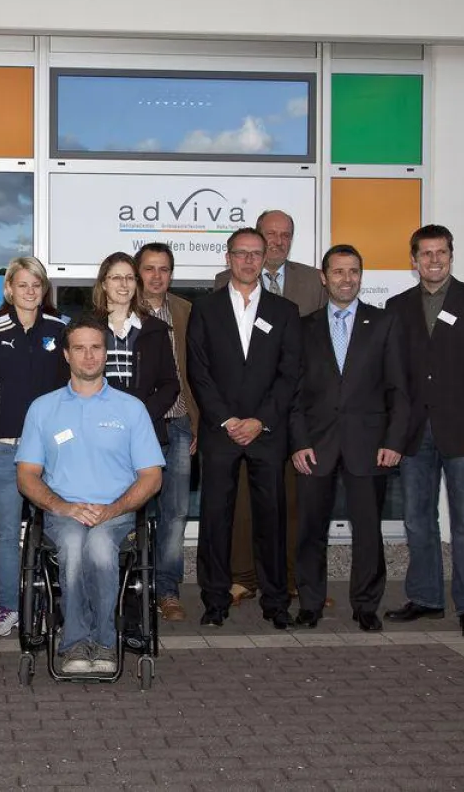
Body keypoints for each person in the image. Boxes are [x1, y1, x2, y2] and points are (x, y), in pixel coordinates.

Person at [15, 314, 164, 674]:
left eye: (96, 348)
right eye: (79, 348)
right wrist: (62, 506)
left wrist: (112, 510)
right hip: (61, 514)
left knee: (98, 546)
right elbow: (27, 475)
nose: (88, 356)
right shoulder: (43, 408)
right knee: (71, 547)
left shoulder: (131, 409)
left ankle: (105, 643)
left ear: (107, 352)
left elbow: (151, 477)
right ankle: (75, 643)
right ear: (66, 355)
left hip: (117, 516)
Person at [384, 225, 464, 639]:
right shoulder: (396, 306)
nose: (433, 260)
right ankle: (426, 598)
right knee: (418, 520)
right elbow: (395, 377)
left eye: (441, 253)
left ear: (451, 256)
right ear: (413, 260)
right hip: (414, 434)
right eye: (425, 254)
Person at [290, 245, 409, 631]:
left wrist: (393, 441)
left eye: (353, 271)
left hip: (369, 445)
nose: (346, 279)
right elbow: (291, 391)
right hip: (315, 445)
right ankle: (309, 603)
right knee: (310, 529)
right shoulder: (303, 326)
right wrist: (298, 441)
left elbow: (398, 389)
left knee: (368, 530)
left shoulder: (385, 322)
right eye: (338, 272)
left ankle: (366, 605)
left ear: (361, 275)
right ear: (324, 278)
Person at [187, 227, 300, 629]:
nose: (250, 260)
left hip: (266, 434)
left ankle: (275, 600)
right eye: (242, 253)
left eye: (257, 253)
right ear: (228, 257)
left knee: (272, 519)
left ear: (266, 256)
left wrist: (260, 420)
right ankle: (214, 600)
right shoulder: (206, 308)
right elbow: (198, 371)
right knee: (216, 520)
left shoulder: (285, 311)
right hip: (222, 432)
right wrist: (228, 419)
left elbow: (289, 374)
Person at [215, 210, 326, 607]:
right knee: (245, 501)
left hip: (296, 408)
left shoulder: (314, 280)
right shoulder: (222, 285)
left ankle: (294, 579)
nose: (278, 241)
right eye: (271, 235)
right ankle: (244, 577)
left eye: (285, 235)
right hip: (246, 415)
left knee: (293, 499)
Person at [0, 256, 69, 637]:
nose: (30, 292)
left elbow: (72, 392)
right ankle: (9, 606)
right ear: (9, 289)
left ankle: (55, 605)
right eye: (23, 285)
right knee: (6, 531)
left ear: (44, 290)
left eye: (36, 285)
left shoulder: (60, 331)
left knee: (58, 526)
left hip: (52, 452)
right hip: (7, 448)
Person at [135, 243, 200, 623]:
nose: (156, 276)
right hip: (137, 425)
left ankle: (168, 590)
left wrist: (197, 423)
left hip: (178, 425)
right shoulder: (124, 312)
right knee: (132, 508)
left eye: (163, 269)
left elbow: (198, 372)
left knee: (175, 512)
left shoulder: (186, 312)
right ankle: (129, 586)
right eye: (149, 268)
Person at [91, 252, 179, 446]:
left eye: (129, 278)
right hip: (96, 432)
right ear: (104, 284)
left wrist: (141, 414)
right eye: (116, 278)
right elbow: (71, 382)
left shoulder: (155, 329)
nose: (124, 284)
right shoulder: (86, 328)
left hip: (144, 431)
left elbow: (170, 384)